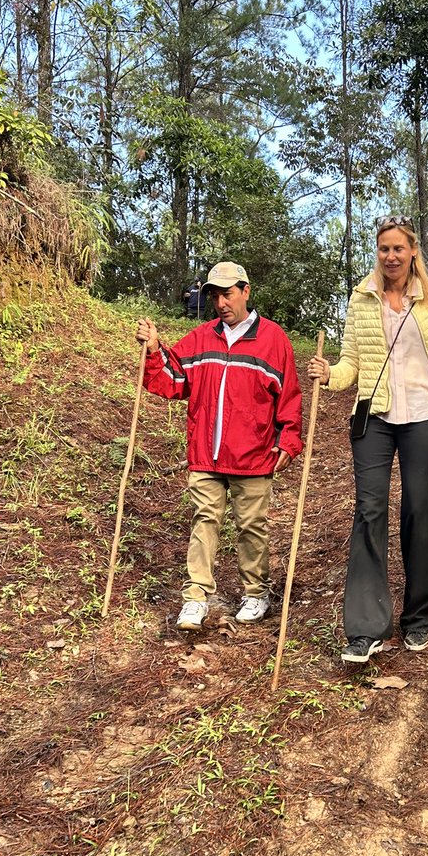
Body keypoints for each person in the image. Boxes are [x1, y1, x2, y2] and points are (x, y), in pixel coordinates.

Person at [307, 216, 428, 665]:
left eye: (399, 248)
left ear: (413, 250)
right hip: (375, 417)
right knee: (369, 510)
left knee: (418, 509)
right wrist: (330, 377)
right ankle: (366, 628)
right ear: (377, 252)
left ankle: (419, 616)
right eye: (384, 248)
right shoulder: (362, 298)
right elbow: (349, 364)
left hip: (424, 415)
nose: (391, 256)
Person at [136, 261, 302, 631]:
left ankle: (256, 593)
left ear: (246, 291)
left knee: (252, 526)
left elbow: (289, 396)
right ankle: (195, 598)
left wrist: (288, 441)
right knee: (204, 522)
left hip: (254, 455)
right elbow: (173, 379)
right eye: (215, 295)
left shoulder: (274, 340)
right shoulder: (200, 338)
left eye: (227, 294)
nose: (221, 302)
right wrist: (152, 349)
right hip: (206, 454)